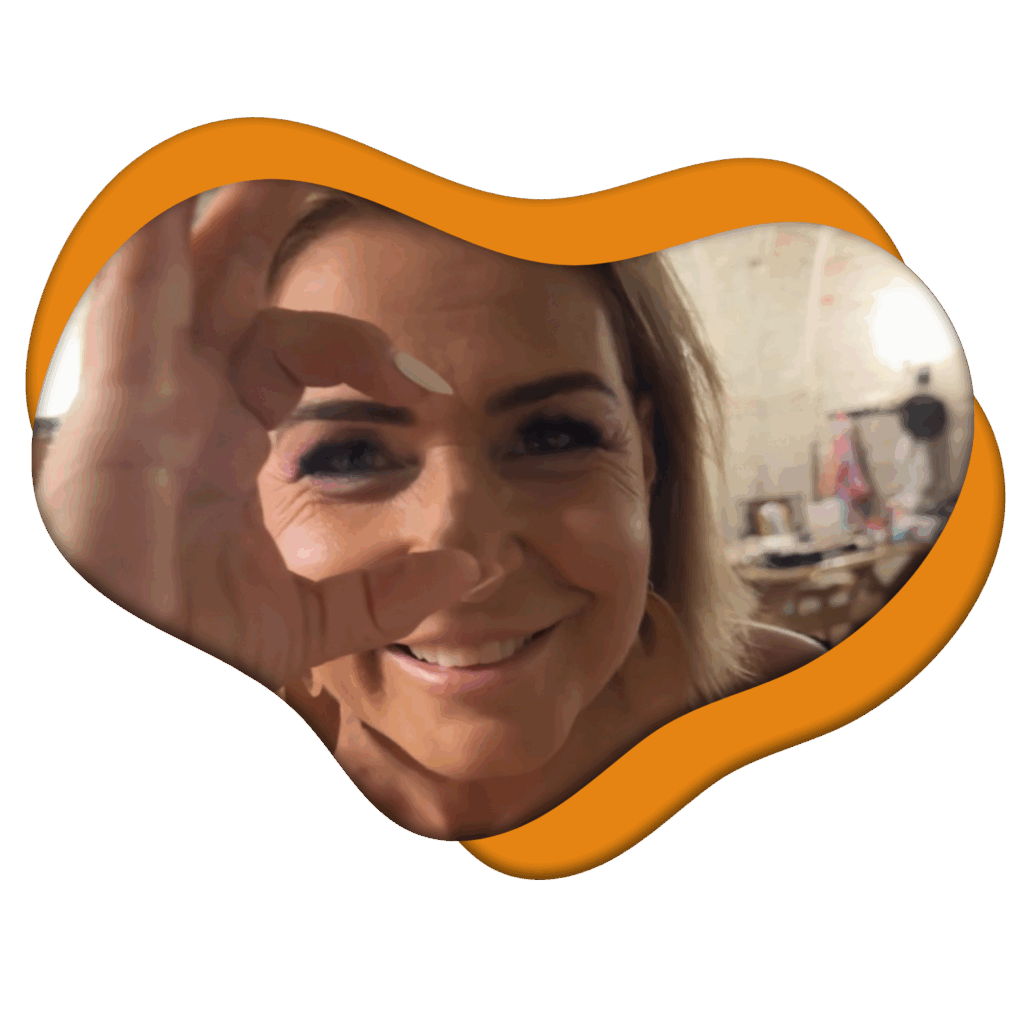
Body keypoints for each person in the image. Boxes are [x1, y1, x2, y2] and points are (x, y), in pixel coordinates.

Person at [34, 181, 822, 841]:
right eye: (348, 455)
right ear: (244, 498)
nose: (465, 553)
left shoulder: (801, 717)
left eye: (553, 435)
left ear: (646, 453)